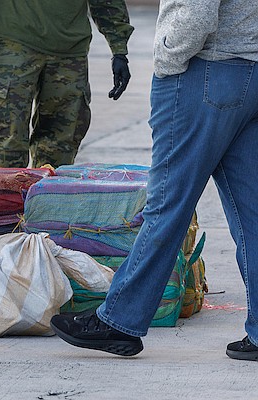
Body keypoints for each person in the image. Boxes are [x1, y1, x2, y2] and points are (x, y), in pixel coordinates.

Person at [51, 0, 258, 361]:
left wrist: (166, 58)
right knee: (252, 213)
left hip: (203, 71)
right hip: (250, 71)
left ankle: (119, 320)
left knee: (167, 204)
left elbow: (197, 12)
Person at [0, 0, 134, 168]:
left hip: (69, 50)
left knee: (60, 147)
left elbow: (107, 3)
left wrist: (119, 51)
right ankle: (3, 197)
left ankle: (48, 197)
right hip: (13, 41)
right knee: (5, 143)